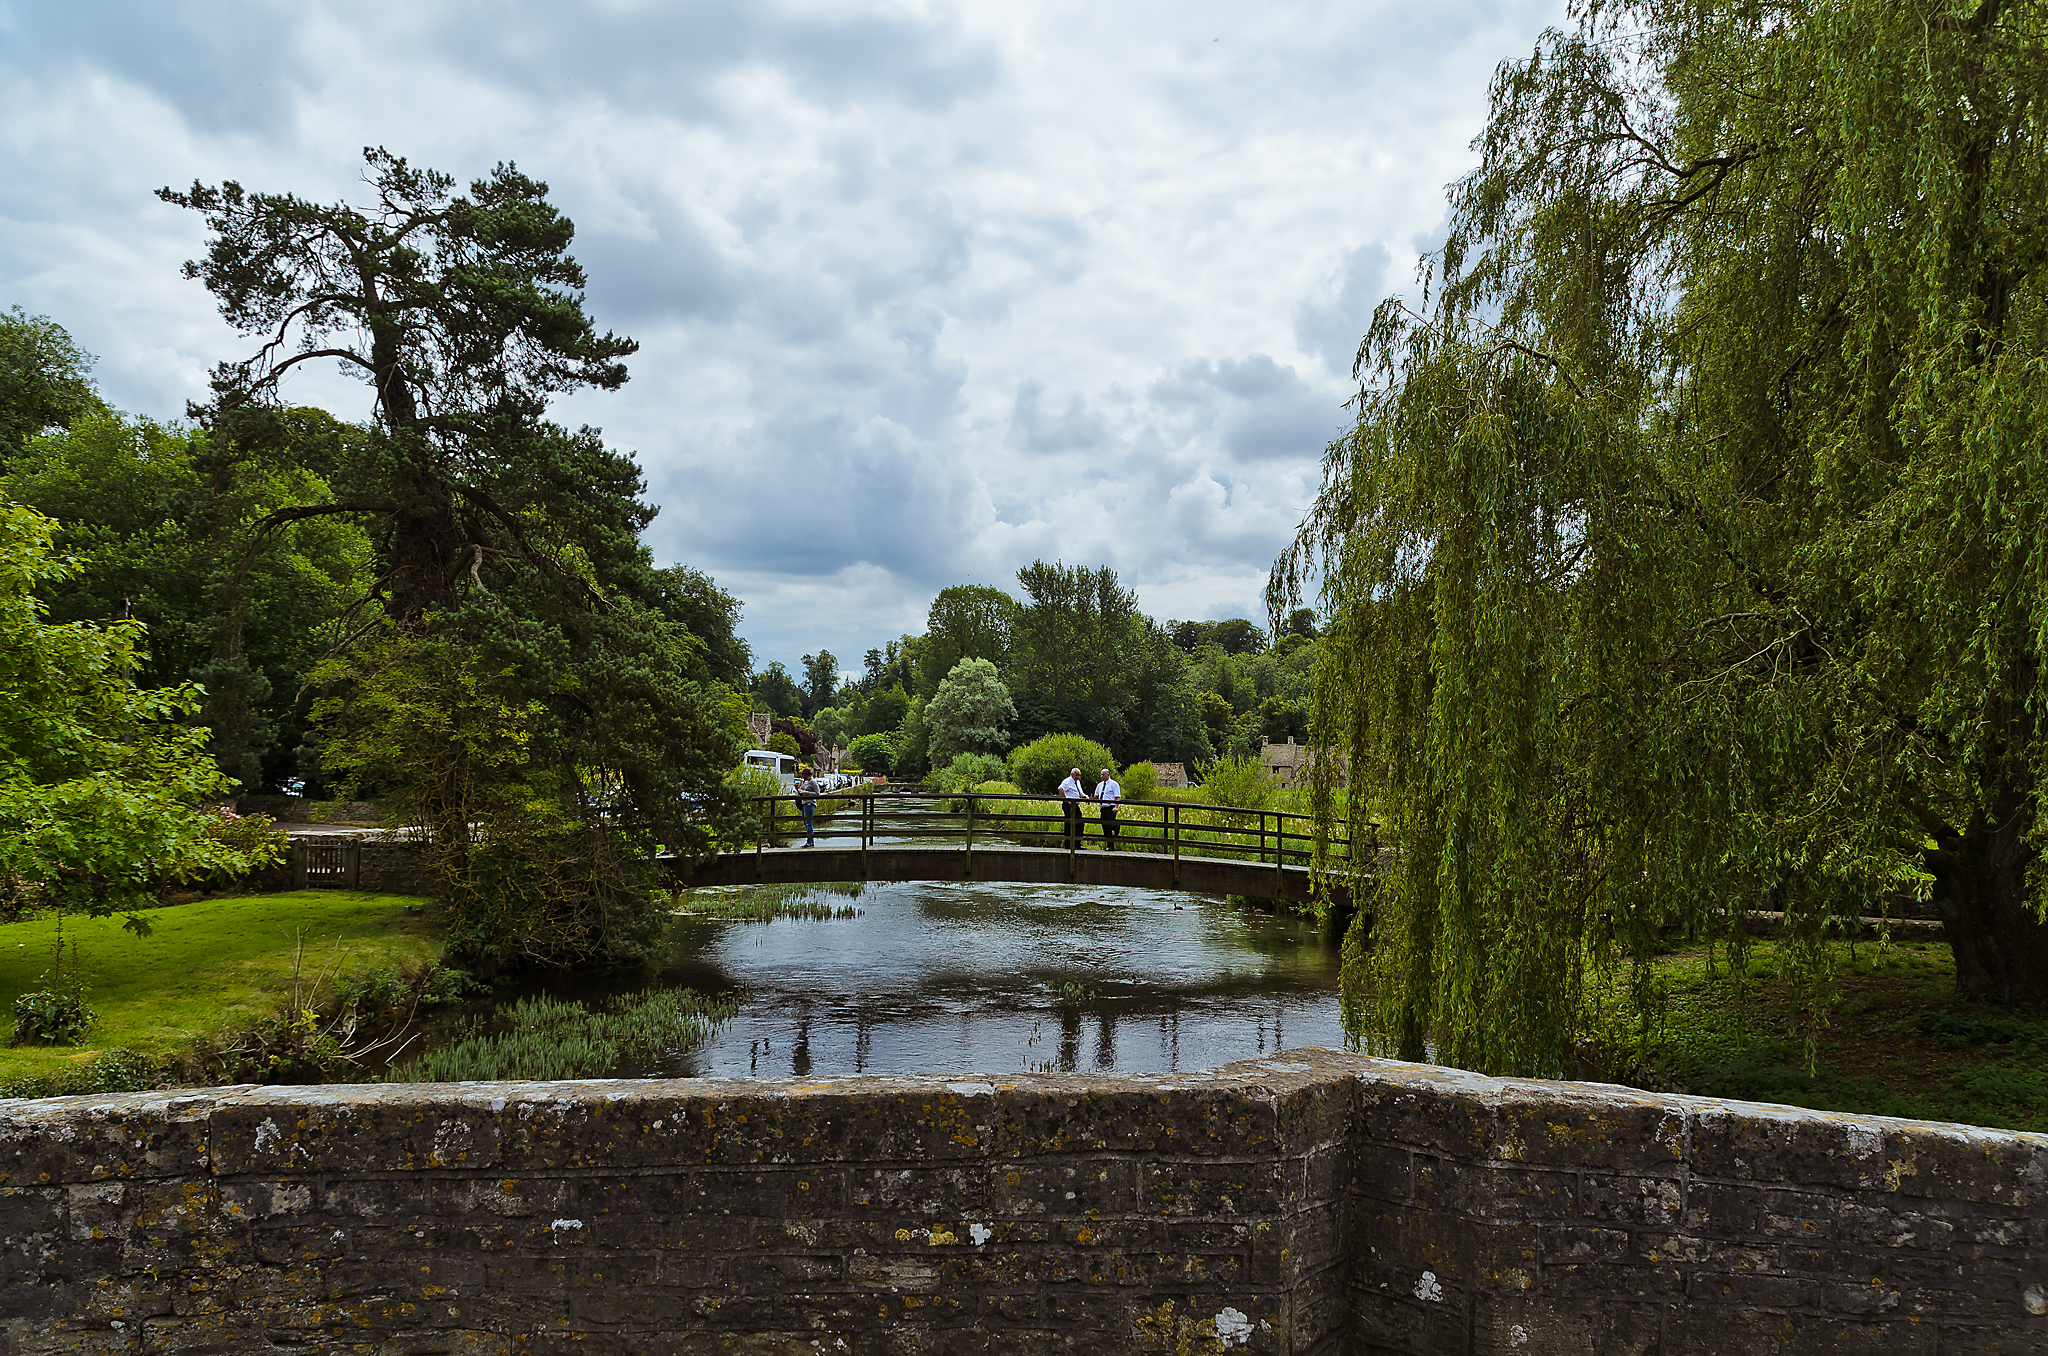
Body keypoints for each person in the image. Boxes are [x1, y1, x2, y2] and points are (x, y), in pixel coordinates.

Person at [1057, 766, 1087, 850]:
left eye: (1079, 775)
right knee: (1069, 824)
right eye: (1076, 775)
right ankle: (1068, 844)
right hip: (1069, 805)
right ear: (1072, 774)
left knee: (1079, 823)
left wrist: (1085, 796)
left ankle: (1077, 843)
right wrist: (1066, 799)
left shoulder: (1077, 782)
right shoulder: (1067, 781)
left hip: (1075, 805)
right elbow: (1060, 789)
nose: (1078, 777)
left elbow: (1080, 792)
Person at [1094, 766, 1122, 850]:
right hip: (1103, 807)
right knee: (1105, 827)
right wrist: (1096, 796)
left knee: (1110, 824)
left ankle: (1117, 827)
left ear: (1108, 775)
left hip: (1110, 807)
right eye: (1101, 774)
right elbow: (1096, 794)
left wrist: (1116, 807)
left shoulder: (1114, 784)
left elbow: (1117, 797)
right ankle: (1110, 845)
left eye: (1103, 774)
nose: (1102, 776)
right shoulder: (1100, 785)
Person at [795, 767, 819, 847]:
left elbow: (817, 793)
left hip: (810, 804)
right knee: (806, 823)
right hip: (804, 803)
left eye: (805, 776)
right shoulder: (805, 782)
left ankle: (810, 842)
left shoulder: (813, 782)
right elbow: (802, 789)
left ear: (809, 775)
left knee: (809, 823)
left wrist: (806, 793)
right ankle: (809, 841)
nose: (804, 778)